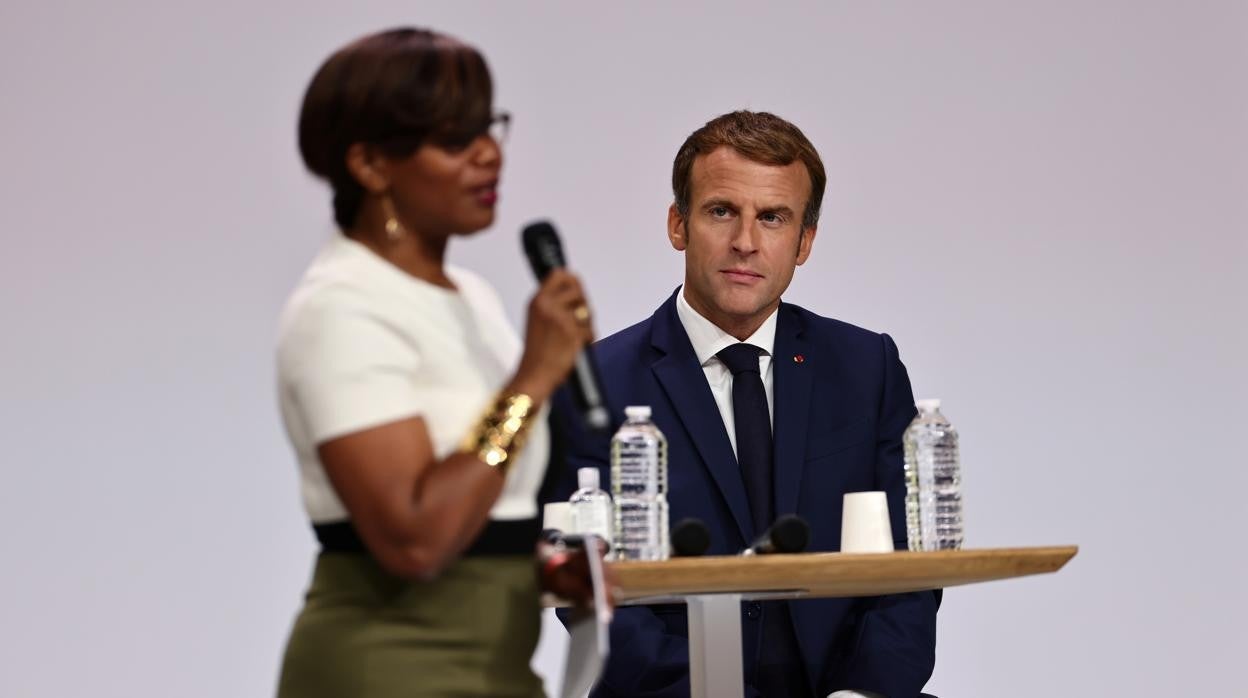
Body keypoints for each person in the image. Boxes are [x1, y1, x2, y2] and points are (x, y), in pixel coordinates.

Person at [563, 111, 939, 697]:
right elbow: (590, 594)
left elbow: (912, 568)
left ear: (804, 241)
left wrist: (863, 693)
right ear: (678, 225)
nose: (746, 241)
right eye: (721, 211)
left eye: (772, 217)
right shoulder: (595, 384)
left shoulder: (868, 367)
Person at [275, 27, 604, 698]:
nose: (490, 155)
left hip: (499, 668)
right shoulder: (341, 309)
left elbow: (481, 500)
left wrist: (537, 567)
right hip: (390, 668)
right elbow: (416, 539)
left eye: (491, 129)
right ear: (370, 164)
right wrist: (534, 380)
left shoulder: (471, 300)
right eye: (457, 140)